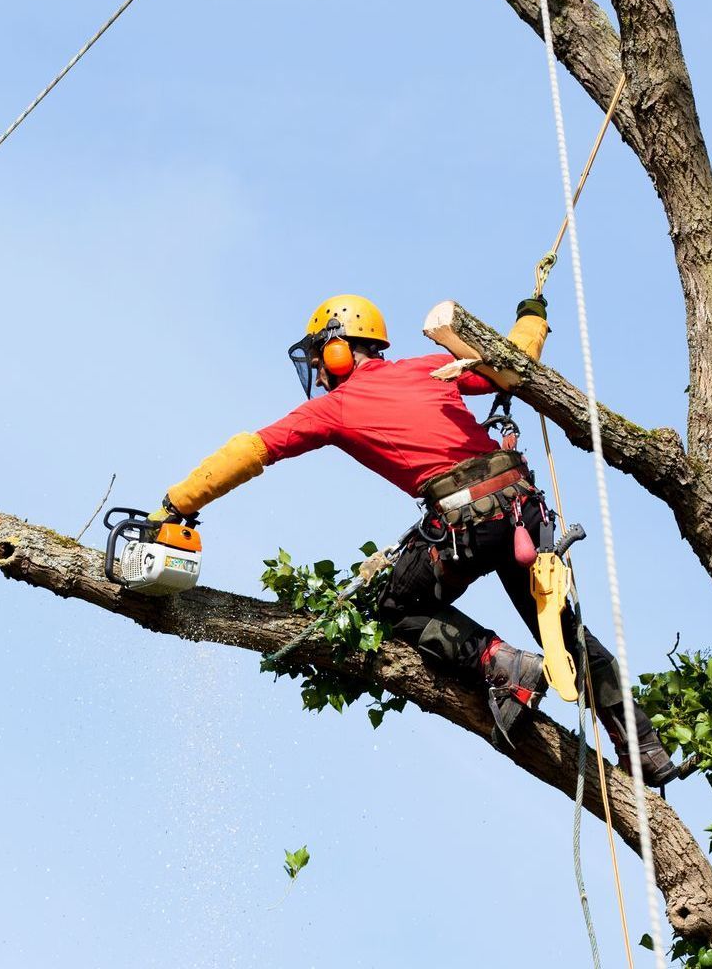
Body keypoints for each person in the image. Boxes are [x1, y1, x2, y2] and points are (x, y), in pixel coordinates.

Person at [150, 294, 684, 785]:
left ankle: (501, 663)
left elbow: (253, 449)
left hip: (466, 524)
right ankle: (646, 749)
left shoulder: (334, 407)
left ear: (339, 348)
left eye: (320, 356)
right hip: (518, 512)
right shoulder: (430, 367)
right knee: (562, 631)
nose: (318, 370)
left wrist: (178, 503)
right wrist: (532, 316)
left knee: (392, 606)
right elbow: (513, 364)